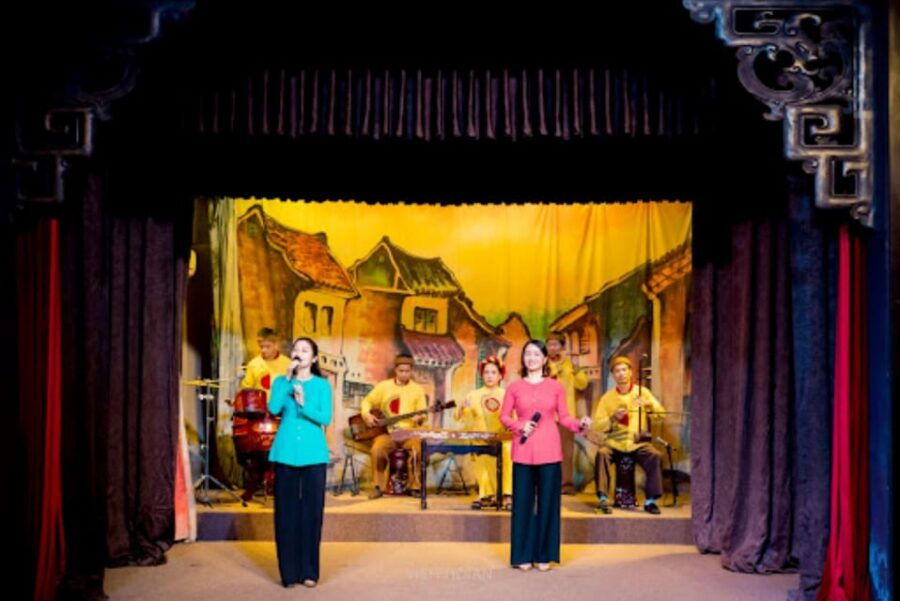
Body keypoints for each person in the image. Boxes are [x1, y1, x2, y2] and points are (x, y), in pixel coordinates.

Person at [500, 340, 591, 572]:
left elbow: (566, 417)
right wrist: (520, 425)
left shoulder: (555, 386)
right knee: (522, 505)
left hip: (550, 451)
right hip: (523, 451)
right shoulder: (514, 387)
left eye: (535, 354)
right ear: (523, 359)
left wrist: (580, 424)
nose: (531, 358)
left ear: (544, 359)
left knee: (549, 504)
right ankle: (522, 555)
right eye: (527, 354)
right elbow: (504, 417)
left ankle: (544, 555)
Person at [267, 337, 332, 588]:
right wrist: (286, 380)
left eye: (305, 350)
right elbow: (273, 408)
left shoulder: (321, 385)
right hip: (285, 453)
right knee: (285, 513)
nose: (298, 353)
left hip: (314, 453)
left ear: (313, 358)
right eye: (295, 349)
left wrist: (304, 405)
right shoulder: (280, 382)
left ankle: (309, 571)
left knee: (312, 513)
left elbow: (325, 416)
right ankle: (289, 572)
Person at [591, 355, 665, 515]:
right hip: (615, 443)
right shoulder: (607, 398)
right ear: (613, 375)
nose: (621, 373)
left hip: (637, 443)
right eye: (617, 371)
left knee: (654, 455)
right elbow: (597, 425)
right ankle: (603, 499)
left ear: (631, 372)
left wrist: (648, 404)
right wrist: (612, 417)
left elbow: (661, 415)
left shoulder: (642, 392)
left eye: (624, 370)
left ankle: (650, 500)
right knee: (602, 454)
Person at [360, 354, 427, 499]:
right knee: (377, 450)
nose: (404, 374)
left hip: (409, 433)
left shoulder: (417, 390)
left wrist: (419, 417)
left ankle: (414, 486)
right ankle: (378, 487)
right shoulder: (384, 387)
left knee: (418, 450)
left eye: (407, 371)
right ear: (395, 370)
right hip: (389, 433)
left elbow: (424, 414)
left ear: (411, 371)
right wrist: (367, 415)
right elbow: (367, 401)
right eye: (401, 371)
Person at [238, 327, 292, 502]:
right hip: (259, 416)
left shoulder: (287, 364)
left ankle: (276, 482)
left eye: (268, 346)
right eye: (261, 346)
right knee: (252, 449)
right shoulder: (254, 364)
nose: (264, 350)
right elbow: (247, 389)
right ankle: (254, 481)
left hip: (281, 415)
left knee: (280, 450)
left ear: (276, 345)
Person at [455, 355, 513, 510]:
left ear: (500, 375)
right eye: (486, 372)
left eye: (493, 372)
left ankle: (507, 495)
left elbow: (513, 419)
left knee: (507, 450)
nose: (489, 376)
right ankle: (486, 495)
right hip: (481, 439)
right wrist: (463, 409)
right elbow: (465, 420)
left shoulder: (507, 395)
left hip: (502, 439)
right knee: (480, 451)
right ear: (482, 375)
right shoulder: (472, 395)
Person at [546, 332, 589, 495]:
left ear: (562, 347)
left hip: (565, 415)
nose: (552, 347)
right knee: (545, 451)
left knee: (566, 451)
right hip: (546, 415)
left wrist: (576, 369)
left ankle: (566, 485)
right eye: (550, 344)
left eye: (556, 344)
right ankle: (546, 484)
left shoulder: (570, 365)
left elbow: (582, 384)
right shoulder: (543, 364)